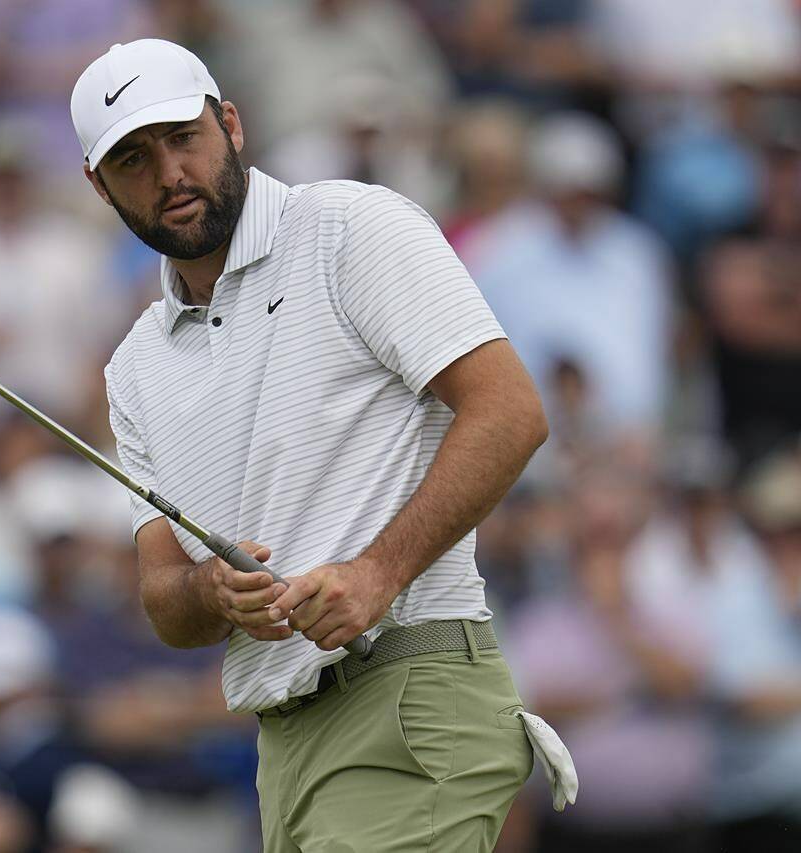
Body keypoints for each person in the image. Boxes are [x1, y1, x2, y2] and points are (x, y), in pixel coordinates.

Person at [71, 39, 555, 851]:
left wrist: (378, 570)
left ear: (231, 124)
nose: (169, 175)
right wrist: (210, 592)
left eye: (183, 138)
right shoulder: (134, 367)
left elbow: (510, 412)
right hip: (282, 741)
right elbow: (163, 595)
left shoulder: (350, 227)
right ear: (99, 184)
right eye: (132, 158)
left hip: (409, 691)